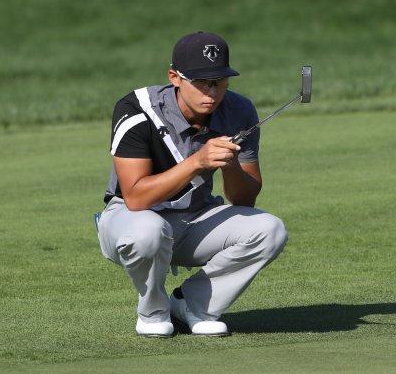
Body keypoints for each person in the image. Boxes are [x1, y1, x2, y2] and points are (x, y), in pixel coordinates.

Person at [97, 31, 288, 338]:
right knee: (148, 231)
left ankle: (194, 305)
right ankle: (154, 311)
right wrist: (197, 162)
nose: (212, 92)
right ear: (175, 77)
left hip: (194, 217)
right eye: (201, 82)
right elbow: (135, 198)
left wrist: (231, 166)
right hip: (128, 220)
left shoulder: (240, 111)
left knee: (269, 229)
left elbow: (244, 199)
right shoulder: (136, 109)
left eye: (220, 81)